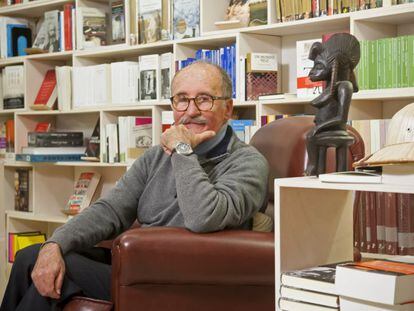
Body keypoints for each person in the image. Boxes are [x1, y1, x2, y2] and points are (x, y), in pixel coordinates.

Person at [0, 61, 269, 311]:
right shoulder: (156, 156)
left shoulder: (248, 162)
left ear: (228, 109)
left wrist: (183, 150)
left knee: (59, 271)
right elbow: (111, 210)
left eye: (204, 99)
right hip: (138, 268)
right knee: (32, 257)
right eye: (182, 100)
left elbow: (204, 217)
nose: (191, 111)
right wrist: (55, 243)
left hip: (186, 280)